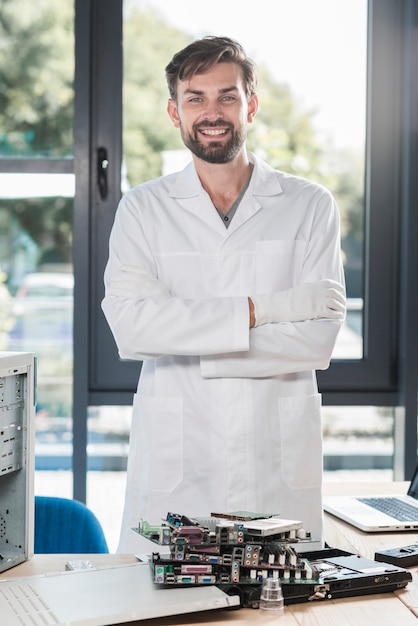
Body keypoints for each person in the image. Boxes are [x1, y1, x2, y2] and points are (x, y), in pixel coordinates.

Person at [102, 36, 346, 553]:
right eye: (196, 98)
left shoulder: (308, 205)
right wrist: (268, 310)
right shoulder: (143, 210)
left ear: (251, 105)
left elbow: (316, 341)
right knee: (168, 601)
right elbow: (134, 328)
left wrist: (190, 339)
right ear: (175, 111)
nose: (212, 113)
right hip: (180, 464)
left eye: (227, 96)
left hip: (273, 463)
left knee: (279, 600)